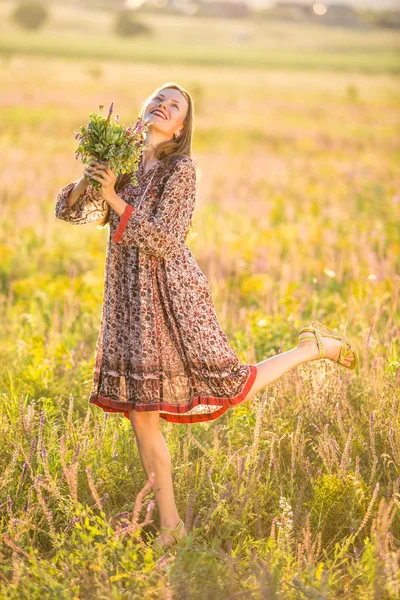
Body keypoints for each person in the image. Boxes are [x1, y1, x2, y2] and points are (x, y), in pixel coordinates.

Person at [55, 82, 358, 552]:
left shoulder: (182, 169)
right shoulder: (125, 158)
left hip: (173, 297)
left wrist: (114, 198)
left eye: (175, 105)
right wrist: (89, 181)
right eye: (158, 98)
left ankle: (310, 349)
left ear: (180, 127)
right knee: (142, 414)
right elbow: (68, 212)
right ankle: (172, 528)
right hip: (128, 301)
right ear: (145, 109)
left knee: (229, 385)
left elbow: (167, 239)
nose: (164, 105)